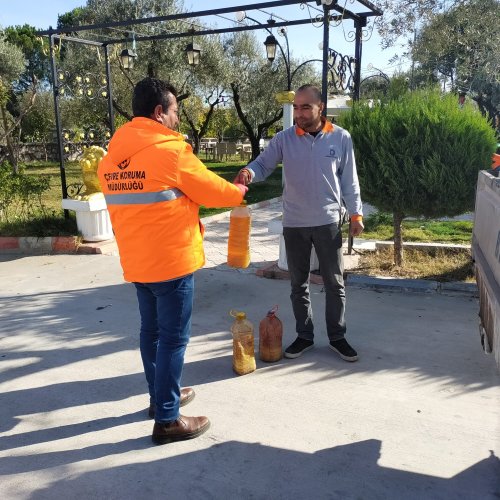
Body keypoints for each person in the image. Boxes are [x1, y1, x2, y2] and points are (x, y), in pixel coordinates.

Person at [98, 77, 247, 444]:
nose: (177, 119)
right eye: (175, 111)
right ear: (158, 112)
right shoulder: (171, 152)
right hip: (171, 262)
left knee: (151, 333)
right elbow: (212, 190)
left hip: (138, 262)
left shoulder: (110, 160)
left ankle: (160, 397)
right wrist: (238, 191)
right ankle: (167, 419)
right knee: (173, 340)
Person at [234, 84, 363, 362]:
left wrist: (356, 214)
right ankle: (304, 336)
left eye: (306, 107)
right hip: (294, 223)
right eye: (296, 107)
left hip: (328, 221)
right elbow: (263, 164)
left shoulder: (340, 137)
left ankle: (337, 337)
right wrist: (248, 172)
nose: (299, 113)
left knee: (334, 283)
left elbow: (349, 180)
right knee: (298, 284)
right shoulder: (284, 139)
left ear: (320, 108)